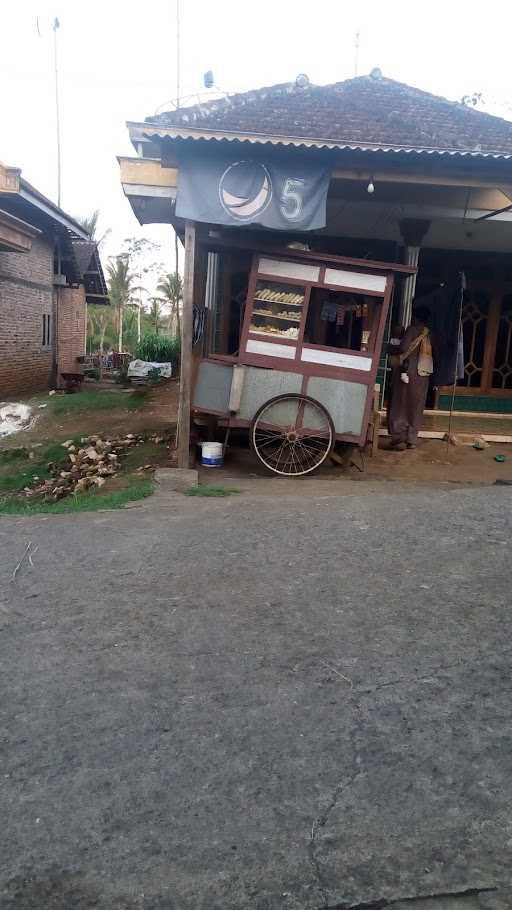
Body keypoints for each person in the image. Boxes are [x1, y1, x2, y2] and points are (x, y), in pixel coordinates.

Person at [387, 305, 434, 450]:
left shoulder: (412, 329)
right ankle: (412, 439)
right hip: (423, 374)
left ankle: (399, 437)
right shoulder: (430, 333)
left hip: (406, 372)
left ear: (415, 317)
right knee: (416, 406)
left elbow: (403, 348)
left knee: (400, 404)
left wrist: (393, 346)